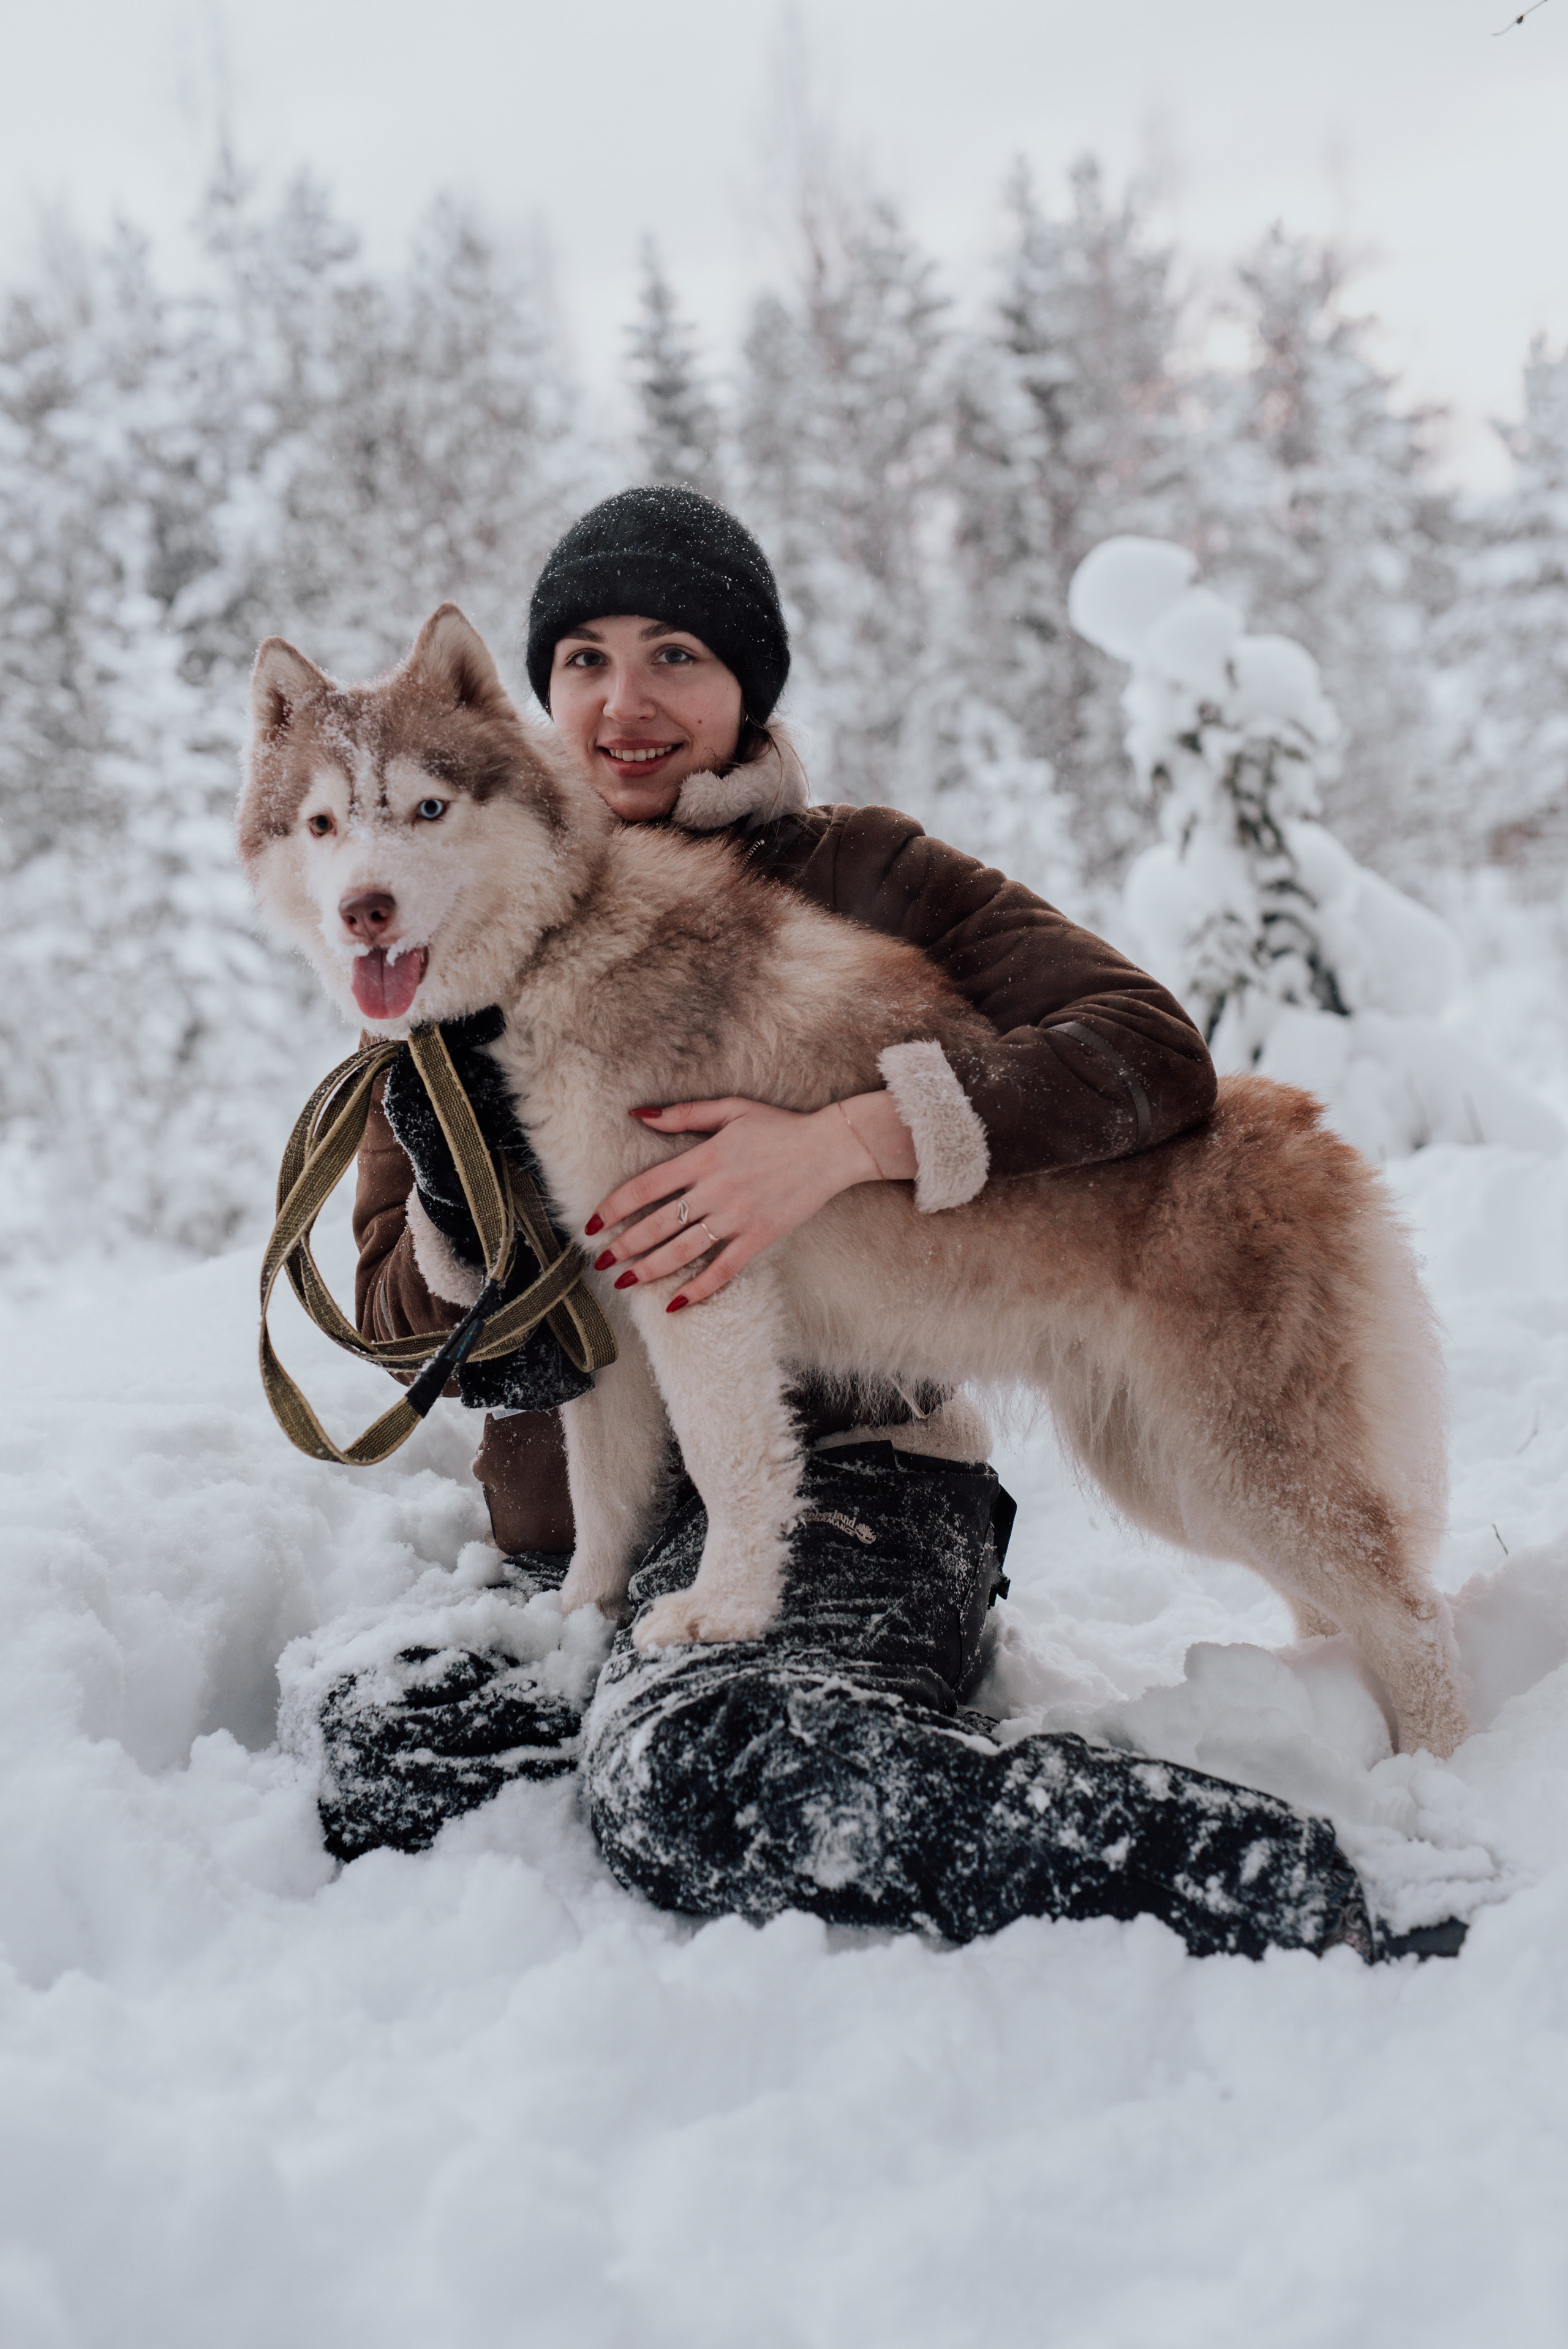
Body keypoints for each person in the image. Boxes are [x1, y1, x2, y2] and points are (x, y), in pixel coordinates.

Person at [305, 485, 1382, 1962]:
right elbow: (401, 1326)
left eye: (676, 654)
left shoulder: (864, 868)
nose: (624, 702)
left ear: (747, 683)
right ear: (536, 692)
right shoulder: (442, 903)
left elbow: (1147, 1050)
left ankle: (1252, 1875)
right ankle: (678, 1707)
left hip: (859, 1490)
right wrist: (453, 1187)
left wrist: (842, 1143)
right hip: (601, 1538)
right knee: (381, 1751)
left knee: (696, 1771)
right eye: (584, 661)